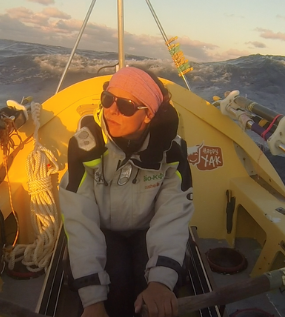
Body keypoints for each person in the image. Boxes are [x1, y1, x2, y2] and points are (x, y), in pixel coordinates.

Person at [60, 67, 194, 317]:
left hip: (149, 230)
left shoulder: (172, 153)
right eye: (107, 99)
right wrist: (92, 301)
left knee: (158, 298)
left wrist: (161, 282)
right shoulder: (85, 147)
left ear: (148, 115)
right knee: (115, 281)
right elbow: (81, 222)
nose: (111, 110)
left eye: (126, 105)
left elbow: (172, 216)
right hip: (103, 232)